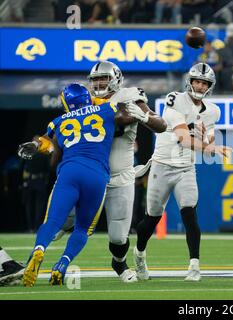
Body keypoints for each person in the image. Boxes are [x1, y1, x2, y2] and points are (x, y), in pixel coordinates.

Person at [54, 61, 167, 283]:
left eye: (103, 78)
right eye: (95, 79)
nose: (98, 83)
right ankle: (57, 231)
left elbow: (161, 125)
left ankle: (119, 263)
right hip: (90, 173)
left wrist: (144, 116)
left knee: (118, 237)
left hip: (119, 175)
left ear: (116, 79)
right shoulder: (84, 102)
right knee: (60, 221)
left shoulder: (130, 96)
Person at [17, 83, 136, 286]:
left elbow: (46, 141)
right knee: (83, 229)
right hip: (97, 175)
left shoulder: (59, 120)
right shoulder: (106, 108)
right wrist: (101, 102)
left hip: (70, 171)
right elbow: (128, 114)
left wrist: (36, 144)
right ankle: (63, 264)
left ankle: (38, 250)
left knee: (52, 222)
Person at [133, 63, 232, 282]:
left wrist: (208, 141)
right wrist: (209, 147)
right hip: (162, 164)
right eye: (196, 81)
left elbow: (208, 137)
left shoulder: (213, 110)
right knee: (152, 218)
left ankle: (194, 266)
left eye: (204, 82)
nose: (199, 85)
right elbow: (183, 138)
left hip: (186, 167)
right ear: (190, 81)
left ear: (210, 86)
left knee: (189, 214)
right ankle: (139, 254)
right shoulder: (175, 100)